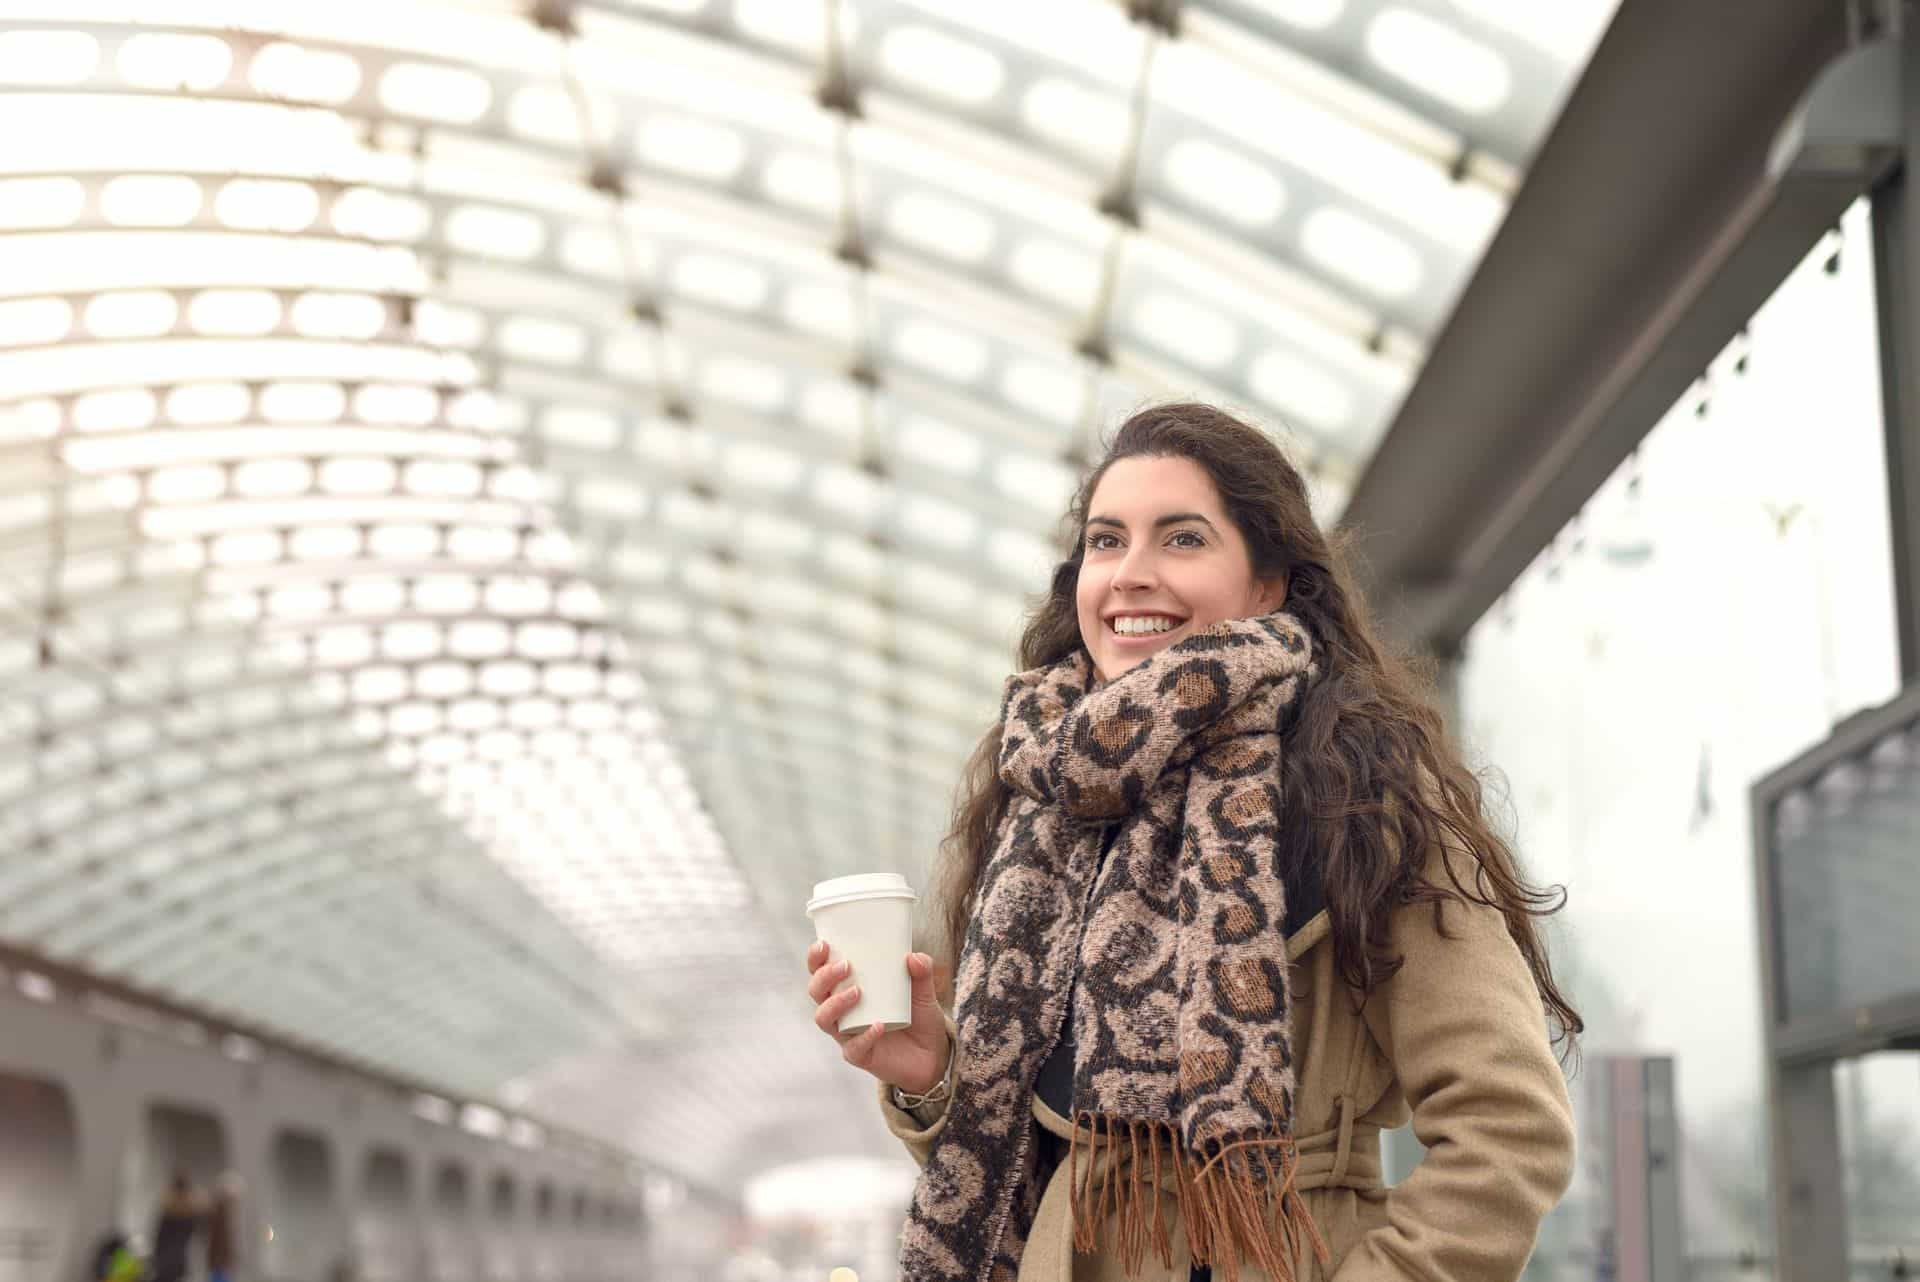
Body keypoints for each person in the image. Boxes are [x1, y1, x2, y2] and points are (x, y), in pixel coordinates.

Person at [804, 404, 1582, 1282]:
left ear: (1269, 582)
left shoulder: (1363, 793)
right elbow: (1017, 1173)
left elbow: (1507, 1130)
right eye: (1106, 542)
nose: (1130, 575)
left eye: (1181, 540)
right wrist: (934, 1073)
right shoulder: (1043, 800)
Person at [149, 1173, 200, 1282]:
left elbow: (159, 1238)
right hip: (180, 1259)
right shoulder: (191, 1211)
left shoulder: (168, 1209)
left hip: (164, 1261)